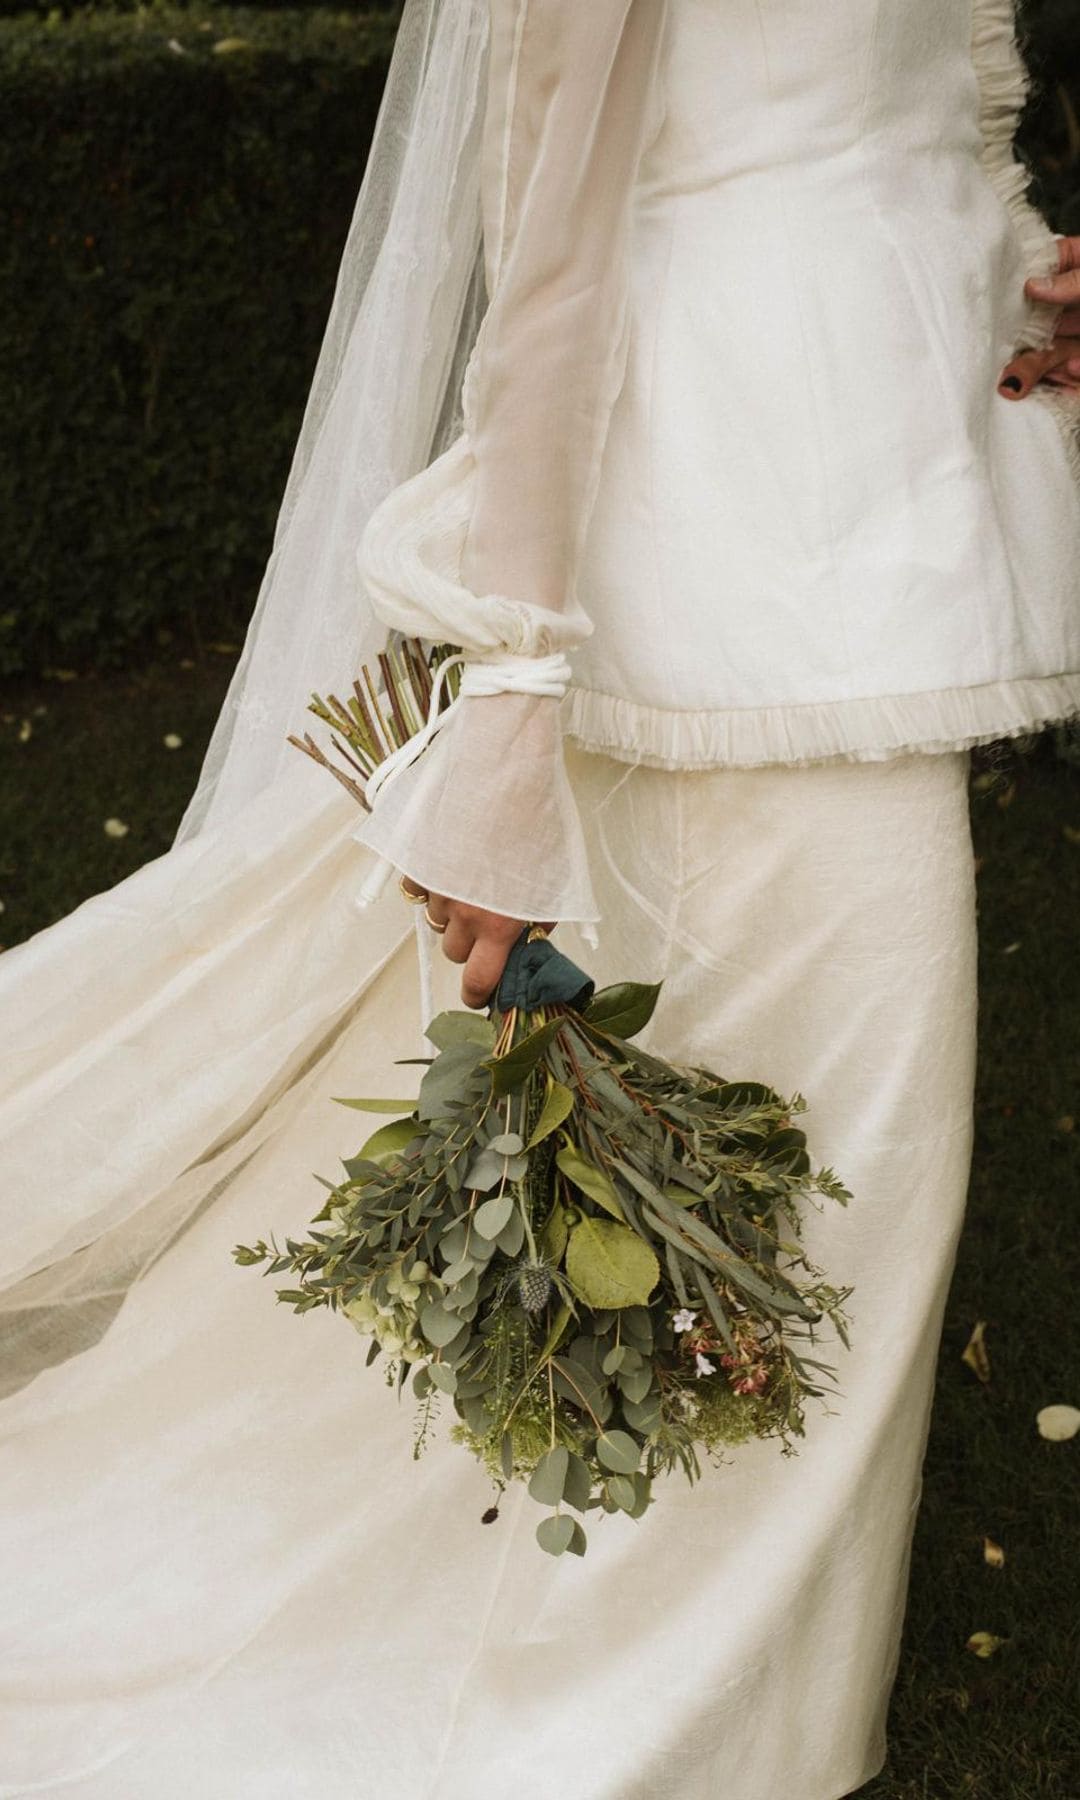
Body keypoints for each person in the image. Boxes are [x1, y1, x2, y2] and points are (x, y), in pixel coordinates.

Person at [0, 3, 1077, 1796]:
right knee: (817, 1174)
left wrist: (1018, 271)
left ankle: (725, 1700)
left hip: (875, 521)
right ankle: (608, 1713)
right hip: (704, 544)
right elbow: (549, 255)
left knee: (844, 1176)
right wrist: (507, 692)